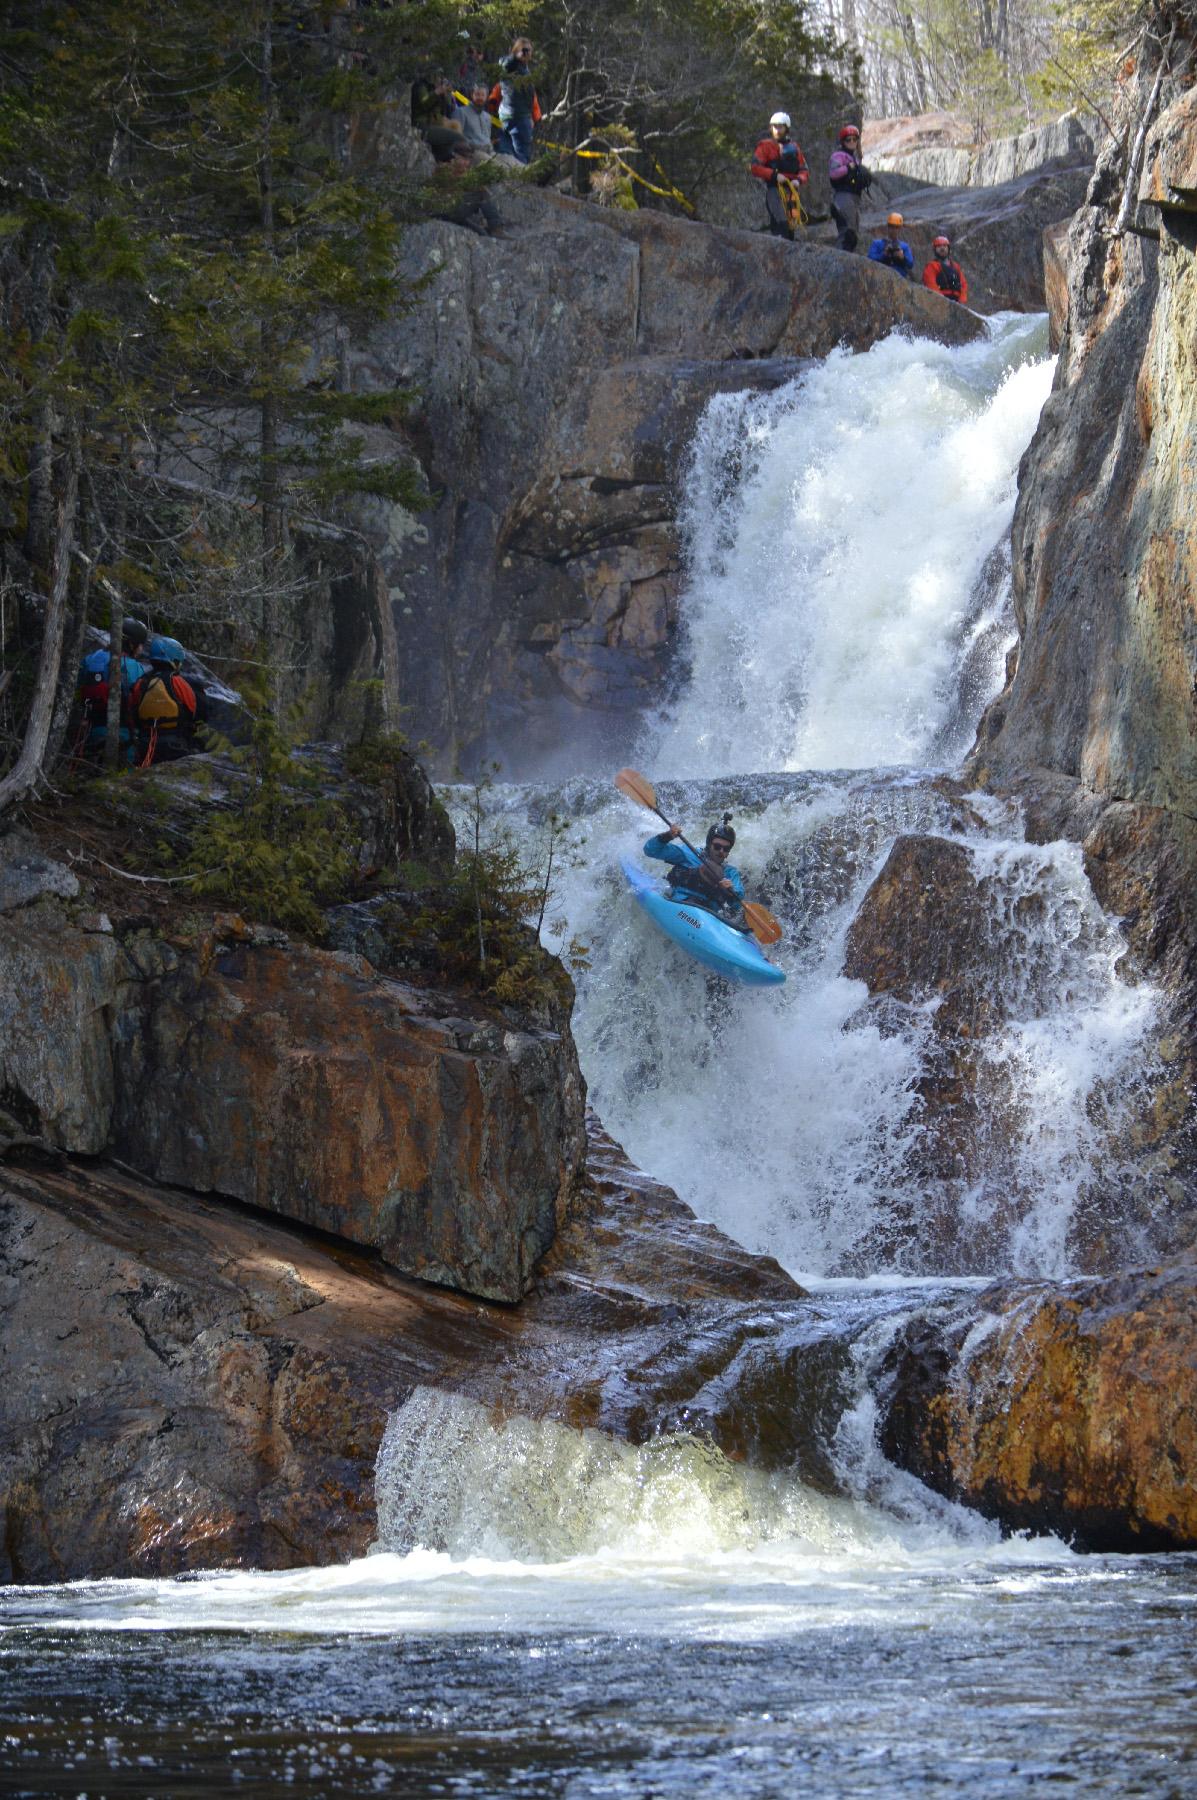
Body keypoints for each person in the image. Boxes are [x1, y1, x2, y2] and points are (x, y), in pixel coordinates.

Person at [644, 816, 746, 924]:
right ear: (709, 843)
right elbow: (650, 850)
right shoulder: (689, 854)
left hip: (707, 918)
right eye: (717, 846)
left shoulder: (730, 873)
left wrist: (731, 890)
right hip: (678, 904)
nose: (721, 851)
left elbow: (738, 901)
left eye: (726, 849)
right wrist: (667, 836)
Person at [75, 617, 151, 761]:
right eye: (140, 645)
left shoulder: (91, 659)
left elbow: (79, 688)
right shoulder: (135, 667)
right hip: (124, 732)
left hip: (92, 729)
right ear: (131, 644)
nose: (141, 649)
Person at [127, 634, 207, 766]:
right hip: (176, 746)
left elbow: (132, 711)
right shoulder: (182, 683)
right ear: (175, 660)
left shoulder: (141, 683)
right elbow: (199, 715)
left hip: (144, 745)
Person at [750, 112, 809, 240]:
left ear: (786, 128)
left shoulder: (795, 147)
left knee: (791, 227)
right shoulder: (765, 146)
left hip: (791, 192)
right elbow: (755, 167)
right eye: (774, 127)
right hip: (774, 191)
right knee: (780, 224)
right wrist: (774, 175)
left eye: (780, 127)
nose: (776, 130)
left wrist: (799, 180)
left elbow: (804, 169)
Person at [429, 135, 503, 236]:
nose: (466, 163)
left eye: (468, 159)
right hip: (443, 211)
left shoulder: (464, 171)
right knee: (481, 193)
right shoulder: (444, 170)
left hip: (454, 213)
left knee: (482, 234)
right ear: (454, 156)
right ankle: (496, 229)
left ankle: (494, 228)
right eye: (463, 158)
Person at [490, 38, 540, 164]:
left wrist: (533, 117)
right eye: (524, 50)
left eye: (529, 50)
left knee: (506, 151)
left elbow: (529, 97)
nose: (527, 53)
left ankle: (509, 180)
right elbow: (505, 64)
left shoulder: (524, 68)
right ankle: (519, 181)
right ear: (516, 50)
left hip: (516, 115)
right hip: (516, 116)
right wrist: (515, 56)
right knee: (521, 155)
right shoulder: (509, 64)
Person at [828, 124, 871, 253]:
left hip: (854, 198)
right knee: (847, 233)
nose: (852, 142)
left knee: (853, 234)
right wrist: (848, 168)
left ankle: (847, 258)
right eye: (848, 139)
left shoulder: (855, 158)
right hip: (843, 197)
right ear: (843, 141)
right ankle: (840, 260)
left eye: (854, 139)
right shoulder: (838, 156)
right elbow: (833, 173)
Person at [923, 234, 969, 304]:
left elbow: (963, 285)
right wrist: (943, 301)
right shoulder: (932, 266)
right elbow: (931, 285)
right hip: (941, 301)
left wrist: (961, 300)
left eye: (944, 246)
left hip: (957, 301)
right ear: (935, 249)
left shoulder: (956, 266)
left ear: (948, 248)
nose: (942, 248)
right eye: (939, 246)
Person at [868, 213, 914, 279]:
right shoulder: (877, 243)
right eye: (891, 227)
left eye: (896, 227)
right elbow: (869, 258)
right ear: (888, 227)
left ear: (900, 229)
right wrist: (883, 255)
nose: (894, 230)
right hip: (881, 276)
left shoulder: (904, 246)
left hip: (899, 279)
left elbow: (910, 264)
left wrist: (903, 258)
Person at [456, 82, 496, 153]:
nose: (480, 98)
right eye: (477, 94)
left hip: (490, 152)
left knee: (513, 162)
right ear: (472, 95)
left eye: (483, 95)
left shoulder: (487, 117)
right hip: (472, 153)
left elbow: (488, 138)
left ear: (486, 97)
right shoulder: (461, 112)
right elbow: (456, 137)